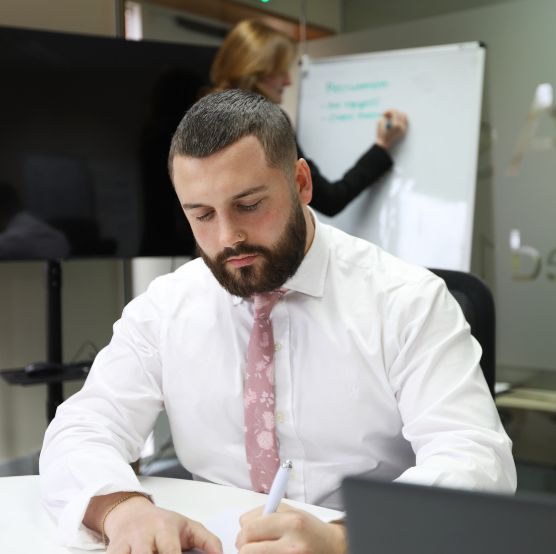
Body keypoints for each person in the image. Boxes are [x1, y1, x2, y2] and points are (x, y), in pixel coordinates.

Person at [40, 90, 515, 553]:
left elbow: (475, 459)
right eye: (202, 215)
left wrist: (347, 537)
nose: (228, 238)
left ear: (301, 183)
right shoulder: (167, 305)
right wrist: (124, 509)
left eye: (249, 205)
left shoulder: (406, 301)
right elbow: (83, 428)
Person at [208, 19, 408, 217]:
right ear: (257, 72)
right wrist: (382, 146)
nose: (288, 81)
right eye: (280, 71)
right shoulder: (263, 123)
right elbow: (330, 200)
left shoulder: (205, 117)